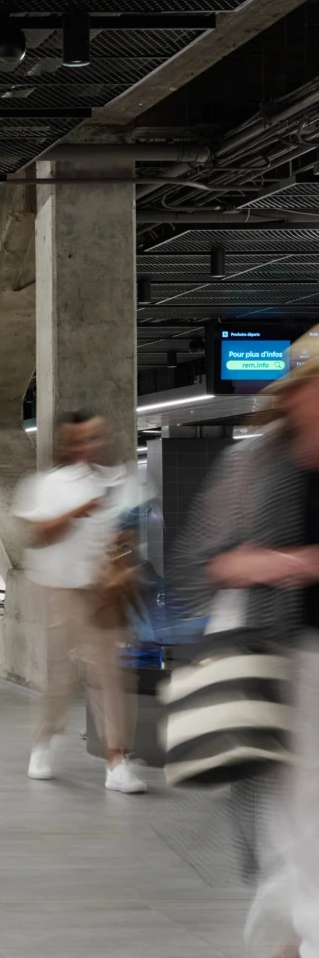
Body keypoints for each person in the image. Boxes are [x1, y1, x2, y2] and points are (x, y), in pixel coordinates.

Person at [171, 350, 319, 958]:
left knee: (303, 822)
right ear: (297, 394)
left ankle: (284, 940)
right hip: (285, 658)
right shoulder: (253, 465)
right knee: (302, 813)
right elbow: (204, 564)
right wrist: (293, 564)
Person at [13, 412, 147, 794]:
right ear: (67, 444)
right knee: (60, 675)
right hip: (57, 588)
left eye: (96, 437)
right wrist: (78, 511)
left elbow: (130, 532)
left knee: (109, 675)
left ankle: (116, 761)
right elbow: (37, 535)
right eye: (82, 439)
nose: (91, 445)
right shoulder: (45, 484)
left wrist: (124, 556)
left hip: (101, 591)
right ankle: (44, 739)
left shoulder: (120, 480)